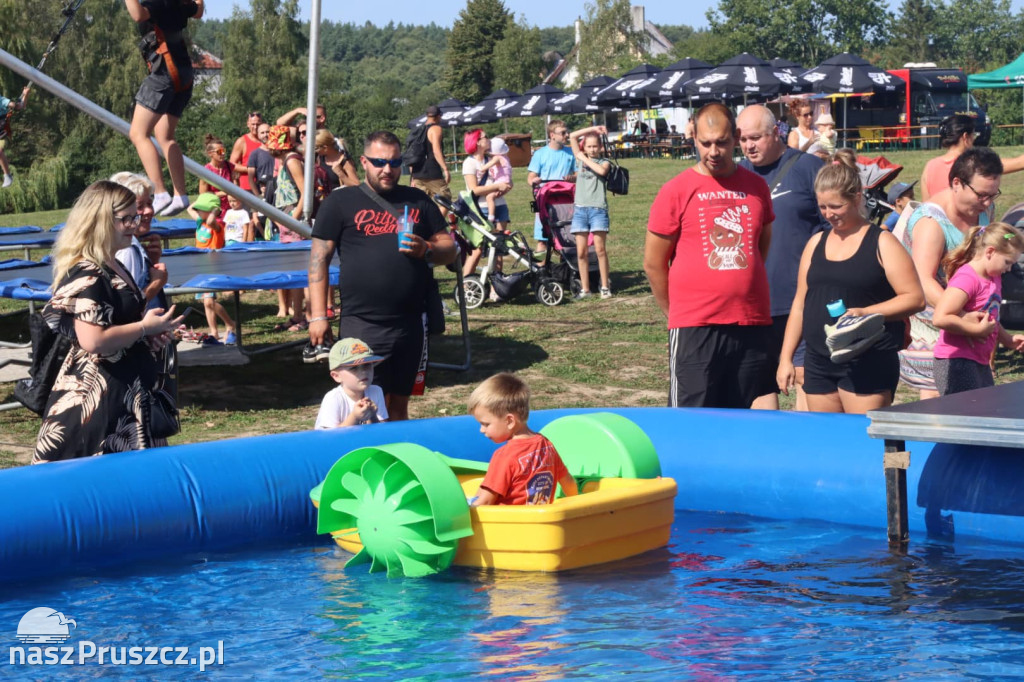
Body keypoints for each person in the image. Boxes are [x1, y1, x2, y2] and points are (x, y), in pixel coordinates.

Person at [307, 130, 457, 421]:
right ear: (363, 161)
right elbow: (318, 259)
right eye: (379, 162)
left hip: (410, 323)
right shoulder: (340, 202)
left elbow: (449, 249)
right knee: (360, 406)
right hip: (362, 324)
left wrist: (427, 248)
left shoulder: (418, 200)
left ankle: (396, 461)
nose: (387, 169)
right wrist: (317, 316)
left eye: (395, 162)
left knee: (399, 407)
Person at [32, 181, 184, 463]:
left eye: (134, 217)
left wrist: (150, 335)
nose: (134, 224)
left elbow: (117, 323)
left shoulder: (113, 262)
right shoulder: (88, 272)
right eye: (126, 218)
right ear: (100, 221)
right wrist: (144, 328)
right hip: (98, 404)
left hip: (126, 396)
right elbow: (94, 340)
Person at [644, 102, 776, 409]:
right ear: (694, 137)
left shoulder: (756, 187)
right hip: (696, 327)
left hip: (750, 324)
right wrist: (677, 314)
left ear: (737, 138)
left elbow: (760, 246)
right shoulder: (676, 190)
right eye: (705, 143)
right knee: (692, 419)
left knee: (744, 418)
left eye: (722, 142)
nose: (713, 151)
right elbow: (654, 263)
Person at [777, 156, 924, 414]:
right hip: (819, 360)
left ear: (857, 197)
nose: (828, 214)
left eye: (836, 206)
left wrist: (865, 312)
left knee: (861, 443)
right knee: (827, 444)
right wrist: (786, 358)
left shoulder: (882, 242)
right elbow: (800, 304)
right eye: (822, 207)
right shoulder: (815, 243)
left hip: (868, 358)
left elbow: (914, 298)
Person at [737, 104, 828, 411]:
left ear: (776, 132)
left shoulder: (808, 168)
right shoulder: (736, 175)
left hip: (802, 302)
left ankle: (806, 455)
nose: (749, 146)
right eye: (742, 139)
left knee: (805, 378)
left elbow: (833, 229)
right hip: (753, 304)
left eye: (756, 138)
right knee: (759, 381)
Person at [900, 147, 1003, 399]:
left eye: (993, 194)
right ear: (957, 183)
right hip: (938, 328)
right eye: (982, 195)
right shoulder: (931, 223)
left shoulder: (983, 208)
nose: (988, 203)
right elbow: (923, 280)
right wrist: (962, 315)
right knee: (941, 403)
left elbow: (995, 246)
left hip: (968, 322)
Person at [124, 0, 204, 217]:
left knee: (139, 133)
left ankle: (160, 192)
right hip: (184, 74)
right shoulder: (181, 3)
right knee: (164, 135)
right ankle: (181, 195)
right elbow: (199, 10)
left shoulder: (160, 2)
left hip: (164, 74)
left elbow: (138, 15)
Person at [932, 223, 1024, 395]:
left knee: (984, 412)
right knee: (966, 417)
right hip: (957, 360)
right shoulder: (967, 278)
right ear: (990, 252)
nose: (1009, 268)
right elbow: (940, 317)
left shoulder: (993, 278)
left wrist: (1008, 340)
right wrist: (975, 330)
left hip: (978, 360)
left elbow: (990, 319)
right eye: (1007, 262)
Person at [466, 373, 578, 506]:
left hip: (508, 524)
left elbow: (485, 501)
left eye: (485, 424)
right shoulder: (546, 445)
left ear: (509, 421)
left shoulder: (504, 456)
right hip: (540, 521)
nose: (481, 430)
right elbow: (569, 483)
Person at [920, 114, 1024, 201]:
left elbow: (926, 207)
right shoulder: (974, 163)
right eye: (973, 135)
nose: (974, 139)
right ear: (965, 137)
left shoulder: (929, 166)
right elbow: (1020, 163)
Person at [266, 124, 307, 329]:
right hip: (284, 218)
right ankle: (296, 314)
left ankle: (301, 315)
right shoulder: (285, 160)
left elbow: (304, 192)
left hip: (293, 220)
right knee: (292, 269)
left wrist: (294, 220)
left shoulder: (292, 161)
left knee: (299, 271)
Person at [111, 172, 167, 311]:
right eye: (140, 206)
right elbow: (128, 306)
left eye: (149, 203)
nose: (148, 211)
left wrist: (151, 263)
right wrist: (157, 282)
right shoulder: (126, 250)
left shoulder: (128, 244)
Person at [186, 192, 237, 345]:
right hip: (200, 267)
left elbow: (210, 220)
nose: (198, 211)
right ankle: (214, 332)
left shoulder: (218, 225)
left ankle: (230, 323)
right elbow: (190, 208)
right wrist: (201, 201)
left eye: (201, 209)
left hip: (212, 266)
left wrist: (215, 210)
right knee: (205, 302)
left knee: (209, 302)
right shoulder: (200, 223)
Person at [461, 129, 512, 278]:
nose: (489, 139)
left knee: (499, 247)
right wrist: (496, 187)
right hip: (480, 210)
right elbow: (474, 190)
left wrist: (506, 187)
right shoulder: (469, 163)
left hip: (500, 206)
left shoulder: (493, 158)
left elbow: (507, 179)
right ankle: (465, 285)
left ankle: (497, 283)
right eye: (486, 137)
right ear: (477, 141)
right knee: (477, 249)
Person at [568, 124, 612, 299]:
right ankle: (585, 289)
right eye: (589, 146)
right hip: (580, 210)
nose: (592, 150)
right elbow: (572, 136)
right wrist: (593, 129)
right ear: (584, 146)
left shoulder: (604, 162)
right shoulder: (580, 158)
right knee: (581, 252)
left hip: (598, 209)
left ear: (600, 147)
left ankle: (605, 286)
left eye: (595, 146)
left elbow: (601, 171)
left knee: (600, 250)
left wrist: (582, 157)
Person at [314, 337, 389, 428]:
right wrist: (354, 417)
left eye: (367, 365)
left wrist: (372, 416)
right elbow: (330, 438)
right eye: (354, 368)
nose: (363, 372)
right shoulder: (333, 398)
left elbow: (381, 431)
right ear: (336, 376)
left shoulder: (376, 391)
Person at [527, 120, 576, 251]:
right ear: (552, 135)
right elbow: (531, 177)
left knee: (566, 237)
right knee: (542, 240)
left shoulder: (571, 152)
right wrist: (535, 180)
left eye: (567, 132)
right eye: (563, 133)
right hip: (545, 201)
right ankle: (541, 270)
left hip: (565, 201)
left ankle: (565, 269)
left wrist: (573, 177)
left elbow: (578, 174)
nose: (566, 135)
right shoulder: (540, 154)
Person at [409, 105, 452, 210]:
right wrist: (445, 169)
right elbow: (436, 151)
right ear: (438, 116)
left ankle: (426, 226)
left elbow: (412, 152)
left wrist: (413, 175)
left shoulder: (418, 131)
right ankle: (438, 225)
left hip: (417, 171)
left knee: (423, 204)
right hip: (432, 171)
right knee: (445, 200)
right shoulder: (436, 128)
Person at [246, 122, 275, 240]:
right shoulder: (255, 154)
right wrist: (257, 195)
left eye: (267, 132)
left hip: (277, 193)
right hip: (262, 193)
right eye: (262, 132)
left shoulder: (277, 151)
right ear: (258, 135)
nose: (265, 135)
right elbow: (250, 177)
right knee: (260, 222)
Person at [198, 133, 239, 214]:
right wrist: (224, 193)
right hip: (213, 210)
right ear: (210, 153)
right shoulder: (206, 171)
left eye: (224, 151)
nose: (223, 154)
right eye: (219, 151)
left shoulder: (229, 166)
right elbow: (203, 195)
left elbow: (236, 187)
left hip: (231, 209)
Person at [480, 137, 513, 231]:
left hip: (501, 181)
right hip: (506, 181)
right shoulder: (505, 157)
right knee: (493, 197)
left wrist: (482, 168)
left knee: (489, 197)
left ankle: (491, 216)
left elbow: (487, 166)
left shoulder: (497, 158)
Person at [0, 85, 29, 188]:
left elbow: (19, 106)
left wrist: (25, 95)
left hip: (3, 134)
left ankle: (7, 175)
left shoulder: (1, 100)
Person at [229, 111, 263, 194]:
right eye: (253, 124)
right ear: (248, 124)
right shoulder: (242, 141)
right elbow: (232, 164)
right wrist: (250, 169)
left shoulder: (267, 140)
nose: (255, 127)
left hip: (265, 186)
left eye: (258, 124)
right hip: (247, 188)